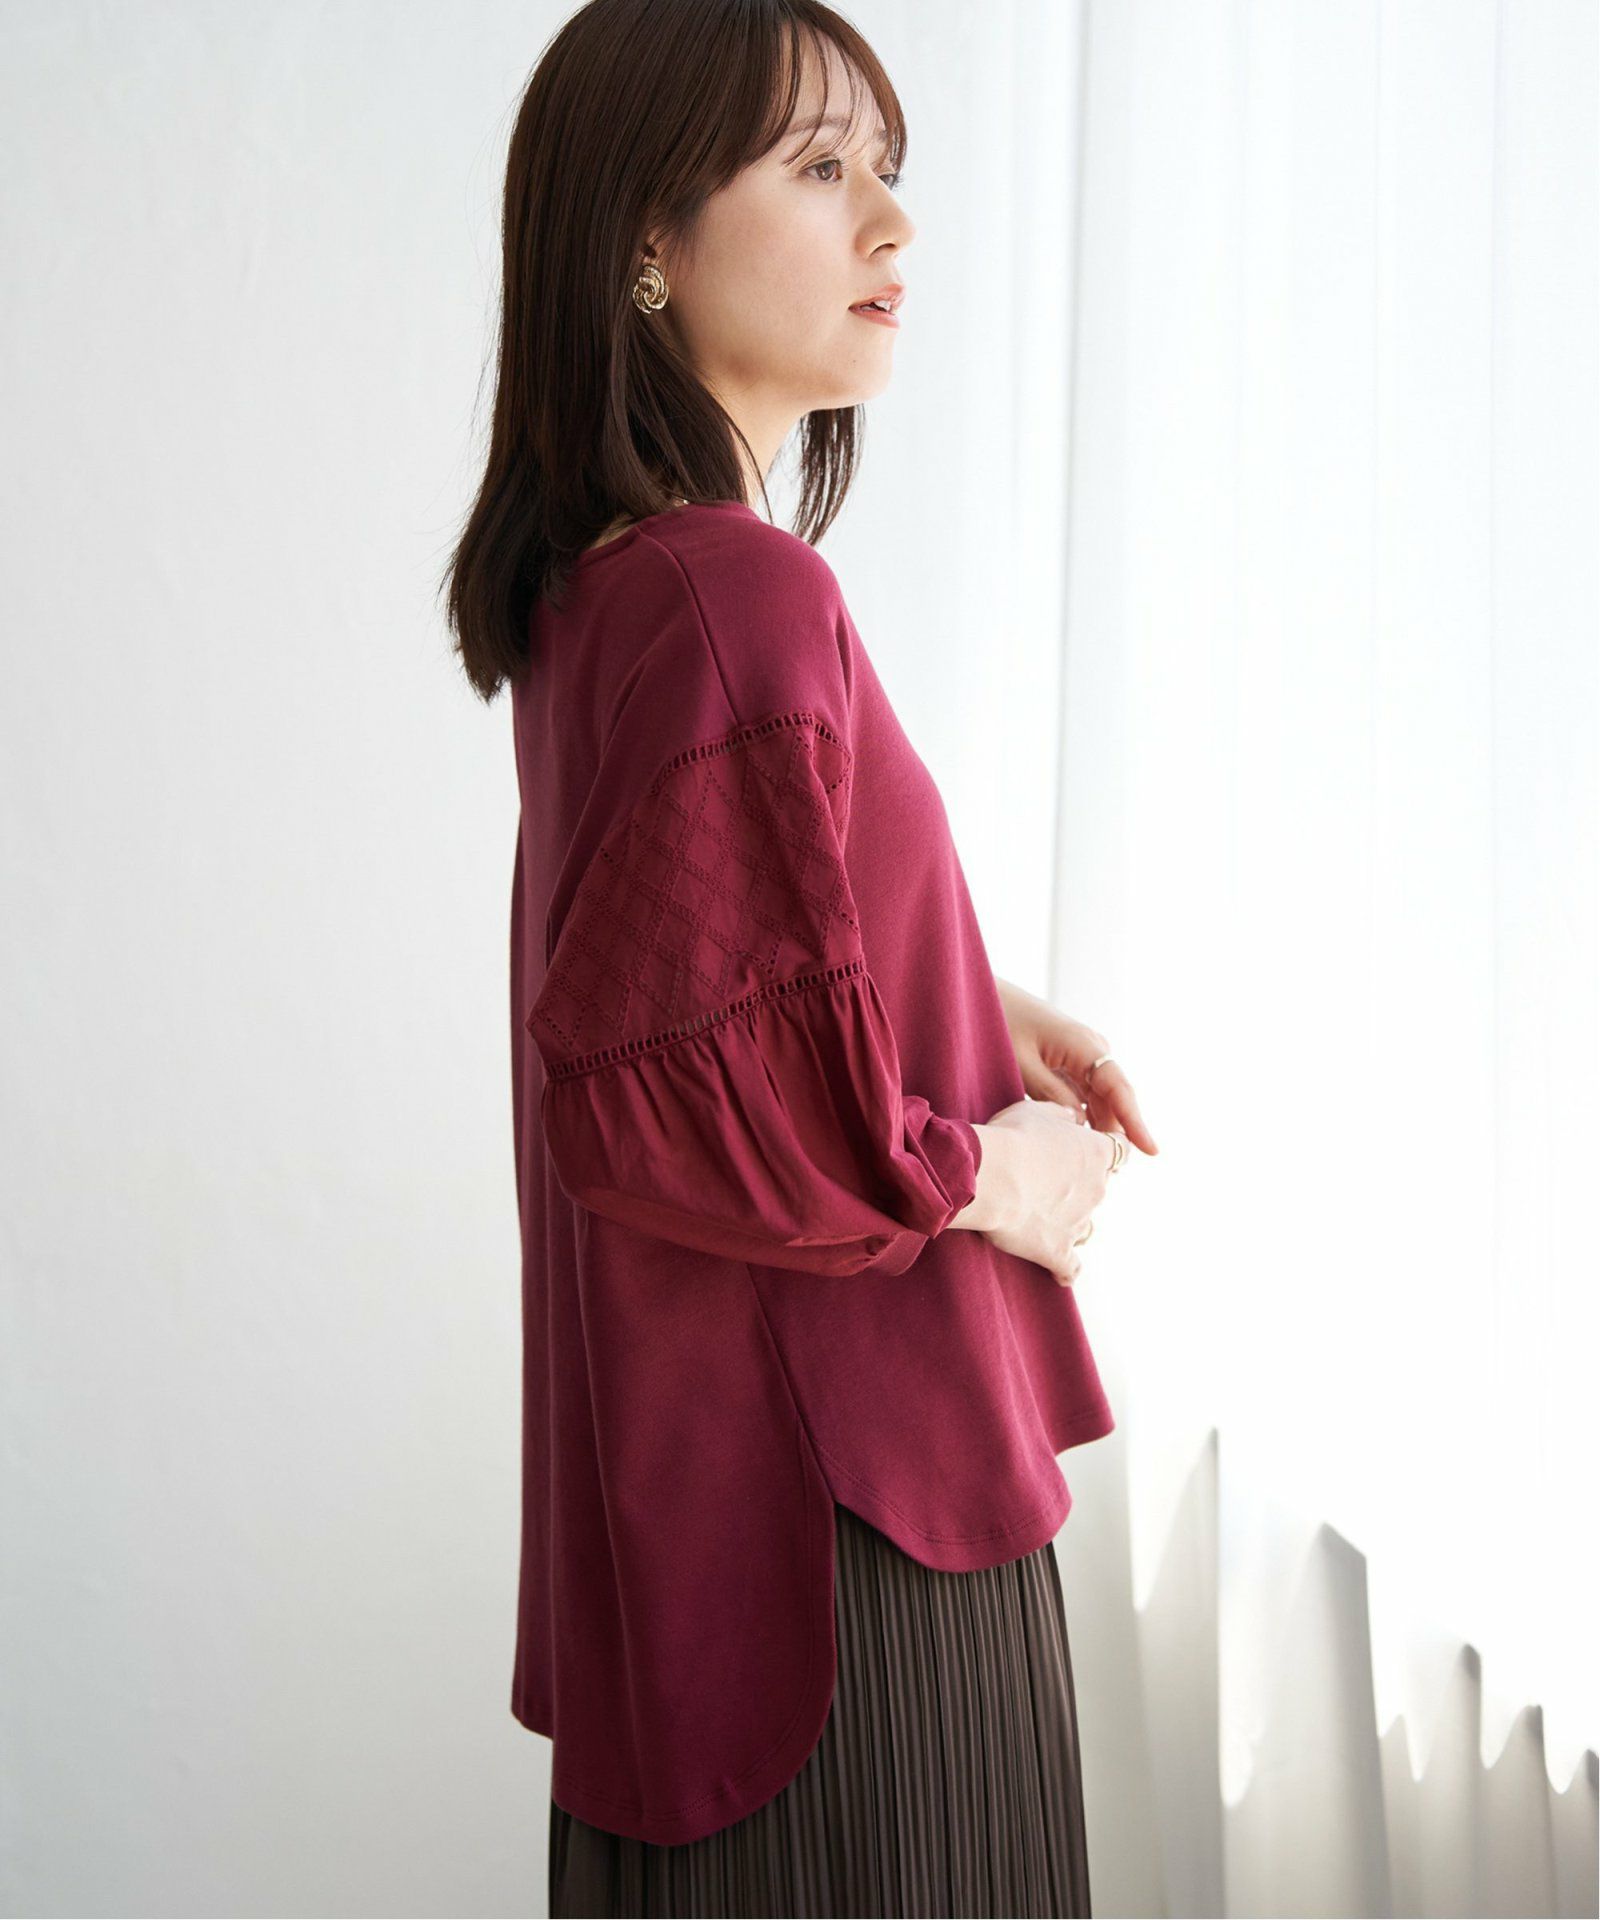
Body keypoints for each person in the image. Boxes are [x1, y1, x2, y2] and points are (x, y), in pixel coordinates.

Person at [442, 2, 1158, 1913]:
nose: (893, 225)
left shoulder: (612, 588)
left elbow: (683, 974)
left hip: (722, 1541)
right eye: (822, 170)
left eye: (887, 170)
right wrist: (998, 1176)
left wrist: (961, 991)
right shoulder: (732, 593)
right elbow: (681, 1103)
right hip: (846, 1546)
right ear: (645, 240)